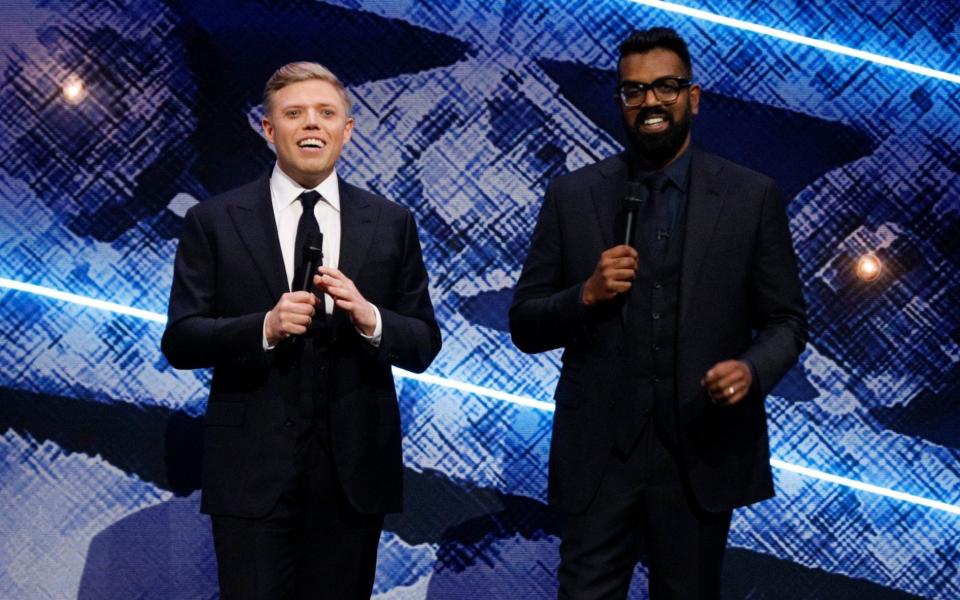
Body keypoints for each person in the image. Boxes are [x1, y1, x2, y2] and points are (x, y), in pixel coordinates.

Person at [509, 27, 807, 599]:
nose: (650, 102)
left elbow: (788, 322)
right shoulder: (574, 195)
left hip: (700, 452)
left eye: (666, 87)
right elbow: (525, 322)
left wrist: (750, 371)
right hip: (599, 457)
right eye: (634, 91)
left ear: (692, 97)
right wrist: (585, 296)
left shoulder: (751, 197)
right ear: (620, 101)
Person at [161, 62, 441, 599]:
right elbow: (181, 338)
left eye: (326, 113)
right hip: (250, 477)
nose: (311, 124)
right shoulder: (215, 220)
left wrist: (370, 317)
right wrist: (262, 327)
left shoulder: (390, 222)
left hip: (353, 478)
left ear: (347, 129)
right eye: (294, 114)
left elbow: (424, 343)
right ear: (269, 130)